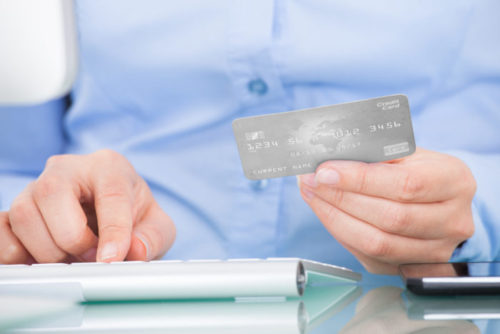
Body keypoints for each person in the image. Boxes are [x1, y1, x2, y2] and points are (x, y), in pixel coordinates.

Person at [0, 1, 499, 274]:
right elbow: (13, 167)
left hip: (426, 303)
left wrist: (473, 216)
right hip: (118, 300)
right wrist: (48, 220)